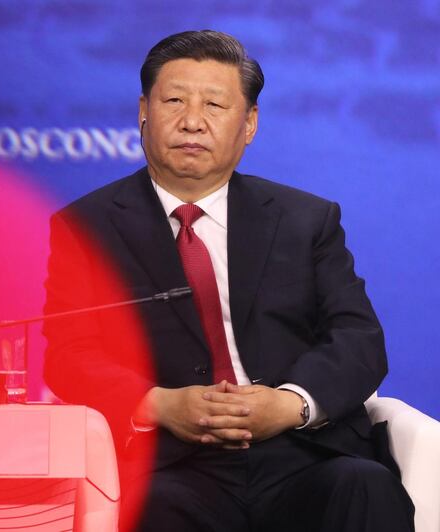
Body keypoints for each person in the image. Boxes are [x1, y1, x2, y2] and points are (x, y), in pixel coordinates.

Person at [42, 30, 414, 531]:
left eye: (215, 104)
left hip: (304, 455)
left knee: (365, 486)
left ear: (250, 124)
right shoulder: (86, 227)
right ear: (143, 112)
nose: (192, 121)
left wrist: (289, 405)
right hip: (172, 463)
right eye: (174, 100)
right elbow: (68, 354)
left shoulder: (306, 219)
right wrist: (160, 404)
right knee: (148, 506)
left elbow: (359, 340)